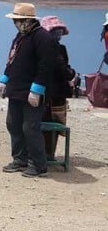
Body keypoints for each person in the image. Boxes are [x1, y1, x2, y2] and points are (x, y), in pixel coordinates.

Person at [0, 2, 60, 178]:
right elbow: (12, 61)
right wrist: (4, 79)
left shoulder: (42, 38)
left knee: (30, 127)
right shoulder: (20, 37)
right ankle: (20, 159)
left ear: (27, 20)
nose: (15, 23)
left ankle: (38, 165)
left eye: (18, 20)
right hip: (16, 91)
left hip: (31, 93)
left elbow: (46, 66)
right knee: (13, 124)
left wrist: (37, 89)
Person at [39, 15, 77, 161]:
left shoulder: (46, 48)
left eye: (60, 30)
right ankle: (47, 154)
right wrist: (71, 73)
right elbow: (63, 70)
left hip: (45, 92)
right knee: (52, 123)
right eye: (56, 30)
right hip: (54, 93)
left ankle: (45, 153)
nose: (59, 34)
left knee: (47, 123)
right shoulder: (57, 49)